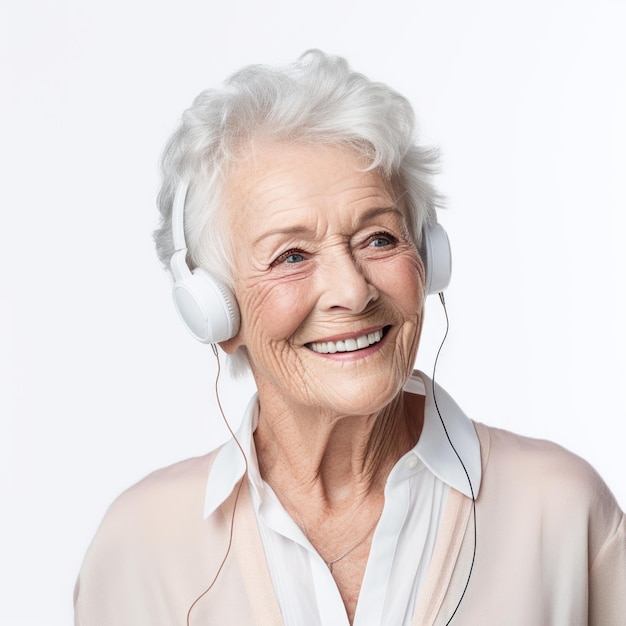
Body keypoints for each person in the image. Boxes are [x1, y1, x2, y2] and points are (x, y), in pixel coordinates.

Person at [74, 51, 625, 625]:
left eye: (379, 238)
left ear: (430, 259)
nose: (353, 291)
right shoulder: (140, 547)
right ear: (215, 311)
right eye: (291, 255)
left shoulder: (563, 511)